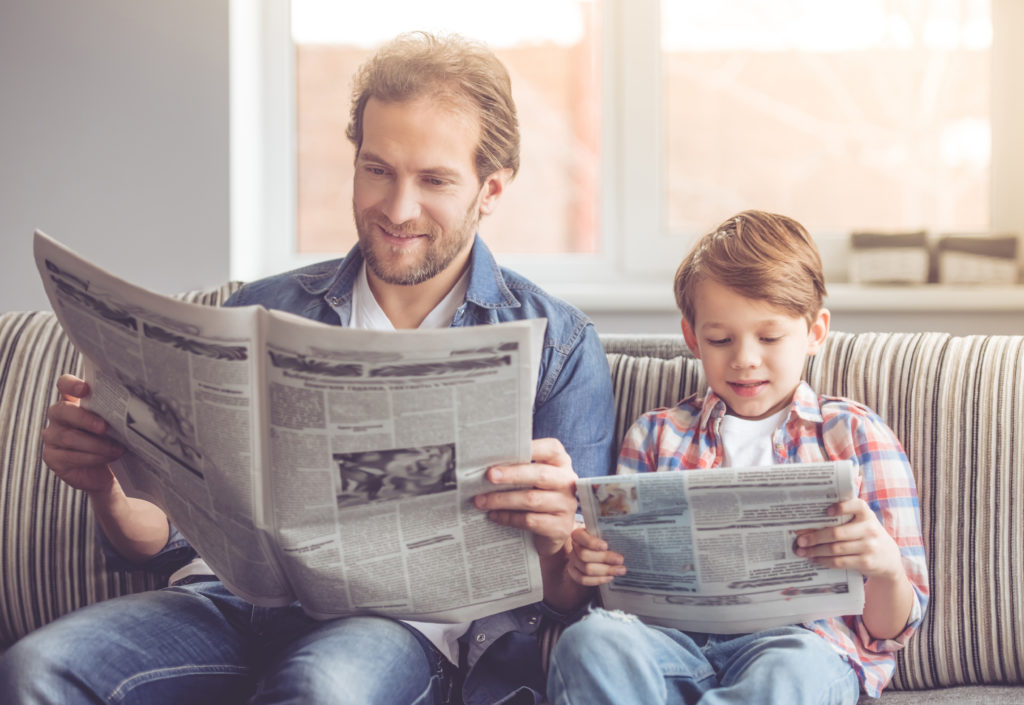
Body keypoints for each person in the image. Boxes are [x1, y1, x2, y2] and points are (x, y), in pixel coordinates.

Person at [0, 32, 615, 705]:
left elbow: (569, 599)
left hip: (394, 630)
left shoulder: (558, 345)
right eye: (377, 169)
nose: (397, 208)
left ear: (490, 189)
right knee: (34, 668)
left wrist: (559, 542)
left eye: (434, 179)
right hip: (226, 601)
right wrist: (104, 486)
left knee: (322, 688)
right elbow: (161, 535)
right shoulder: (259, 311)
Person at [547, 210, 929, 705]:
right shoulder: (655, 435)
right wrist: (587, 562)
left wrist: (885, 569)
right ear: (692, 338)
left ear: (815, 332)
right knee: (592, 641)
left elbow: (890, 628)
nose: (745, 358)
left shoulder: (855, 434)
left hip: (798, 645)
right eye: (721, 339)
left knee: (792, 673)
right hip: (670, 646)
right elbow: (615, 589)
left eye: (769, 337)